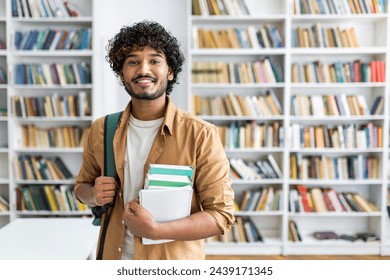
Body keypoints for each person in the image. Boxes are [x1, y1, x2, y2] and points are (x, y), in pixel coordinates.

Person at [74, 20, 235, 260]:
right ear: (122, 73)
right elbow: (81, 188)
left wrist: (156, 231)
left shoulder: (200, 134)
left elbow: (221, 215)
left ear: (170, 71)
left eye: (155, 60)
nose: (143, 69)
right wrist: (93, 195)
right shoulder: (102, 129)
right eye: (133, 61)